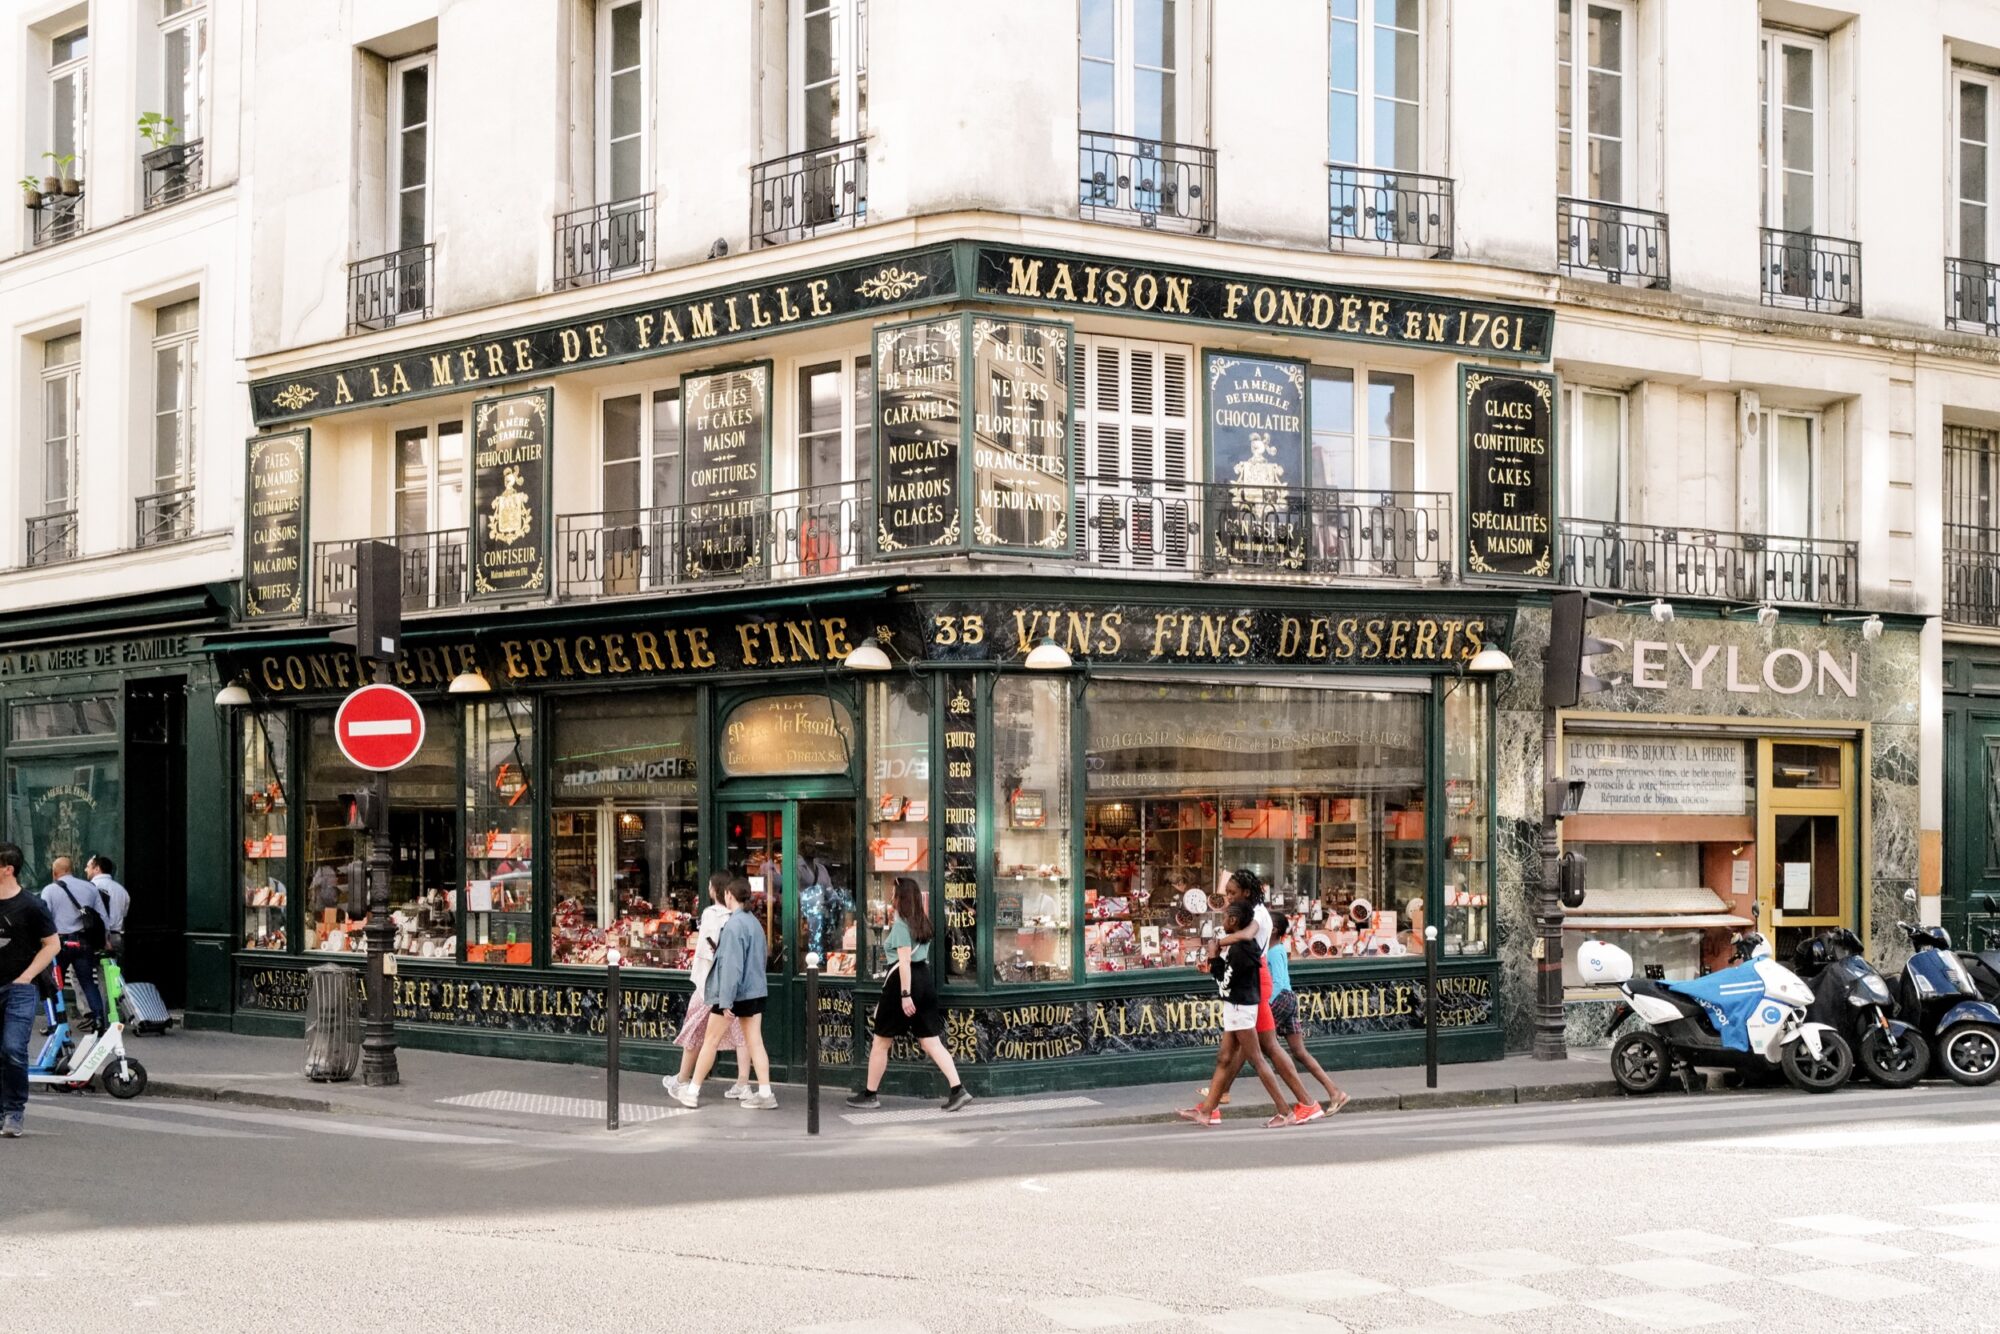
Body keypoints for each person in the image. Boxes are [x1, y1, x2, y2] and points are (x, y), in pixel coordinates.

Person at [1202, 869, 1321, 1123]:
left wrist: (1217, 946)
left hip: (1253, 982)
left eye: (1233, 893)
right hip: (1252, 978)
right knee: (1236, 1052)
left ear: (1246, 892)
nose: (1229, 899)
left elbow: (1245, 937)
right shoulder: (1255, 911)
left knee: (1264, 1050)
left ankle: (1300, 1105)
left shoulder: (1255, 913)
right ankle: (1209, 1108)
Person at [846, 876, 972, 1112]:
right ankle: (958, 1089)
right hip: (924, 979)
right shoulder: (922, 922)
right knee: (931, 1041)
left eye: (893, 893)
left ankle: (870, 1094)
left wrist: (905, 995)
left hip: (902, 984)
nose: (890, 897)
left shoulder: (902, 925)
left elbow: (904, 962)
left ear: (900, 897)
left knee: (881, 1041)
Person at [1180, 900, 1290, 1127]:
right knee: (1224, 1058)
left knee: (1257, 1059)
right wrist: (1216, 963)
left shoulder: (1240, 949)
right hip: (1237, 1006)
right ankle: (1207, 1112)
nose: (1222, 922)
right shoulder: (1243, 948)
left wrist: (1213, 958)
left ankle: (1285, 1110)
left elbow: (1225, 984)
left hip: (1239, 1008)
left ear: (1233, 921)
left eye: (1225, 918)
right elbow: (1231, 976)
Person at [674, 878, 775, 1110]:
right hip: (755, 992)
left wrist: (726, 1001)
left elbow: (731, 967)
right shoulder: (755, 924)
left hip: (732, 994)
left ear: (729, 895)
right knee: (756, 1043)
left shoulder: (733, 925)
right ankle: (766, 1092)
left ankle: (692, 1091)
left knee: (710, 1041)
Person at [664, 873, 749, 1102]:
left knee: (695, 1030)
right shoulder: (739, 918)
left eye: (710, 885)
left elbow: (706, 947)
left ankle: (684, 1081)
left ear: (716, 890)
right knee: (743, 1034)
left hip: (708, 983)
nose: (708, 888)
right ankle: (743, 1082)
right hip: (735, 984)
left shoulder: (711, 914)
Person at [0, 841, 61, 1138]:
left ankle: (13, 1112)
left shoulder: (32, 905)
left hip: (19, 989)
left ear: (7, 869)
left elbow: (53, 945)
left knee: (12, 1048)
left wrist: (26, 977)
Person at [1269, 911, 1347, 1114]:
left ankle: (1221, 1091)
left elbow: (1277, 982)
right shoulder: (1273, 949)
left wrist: (1267, 1005)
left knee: (1253, 1045)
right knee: (1299, 1052)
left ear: (1274, 930)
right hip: (1288, 1000)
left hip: (1280, 1000)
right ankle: (1334, 1091)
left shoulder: (1274, 951)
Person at [40, 857, 106, 1029]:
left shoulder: (50, 890)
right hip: (83, 942)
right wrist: (104, 940)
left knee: (53, 983)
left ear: (54, 873)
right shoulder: (90, 888)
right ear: (72, 869)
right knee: (87, 982)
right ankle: (99, 1019)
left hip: (59, 942)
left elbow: (45, 919)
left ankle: (55, 1023)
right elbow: (102, 917)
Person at [86, 854, 129, 948]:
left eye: (88, 867)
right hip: (117, 938)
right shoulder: (122, 890)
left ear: (97, 869)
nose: (86, 870)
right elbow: (124, 915)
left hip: (97, 938)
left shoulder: (89, 888)